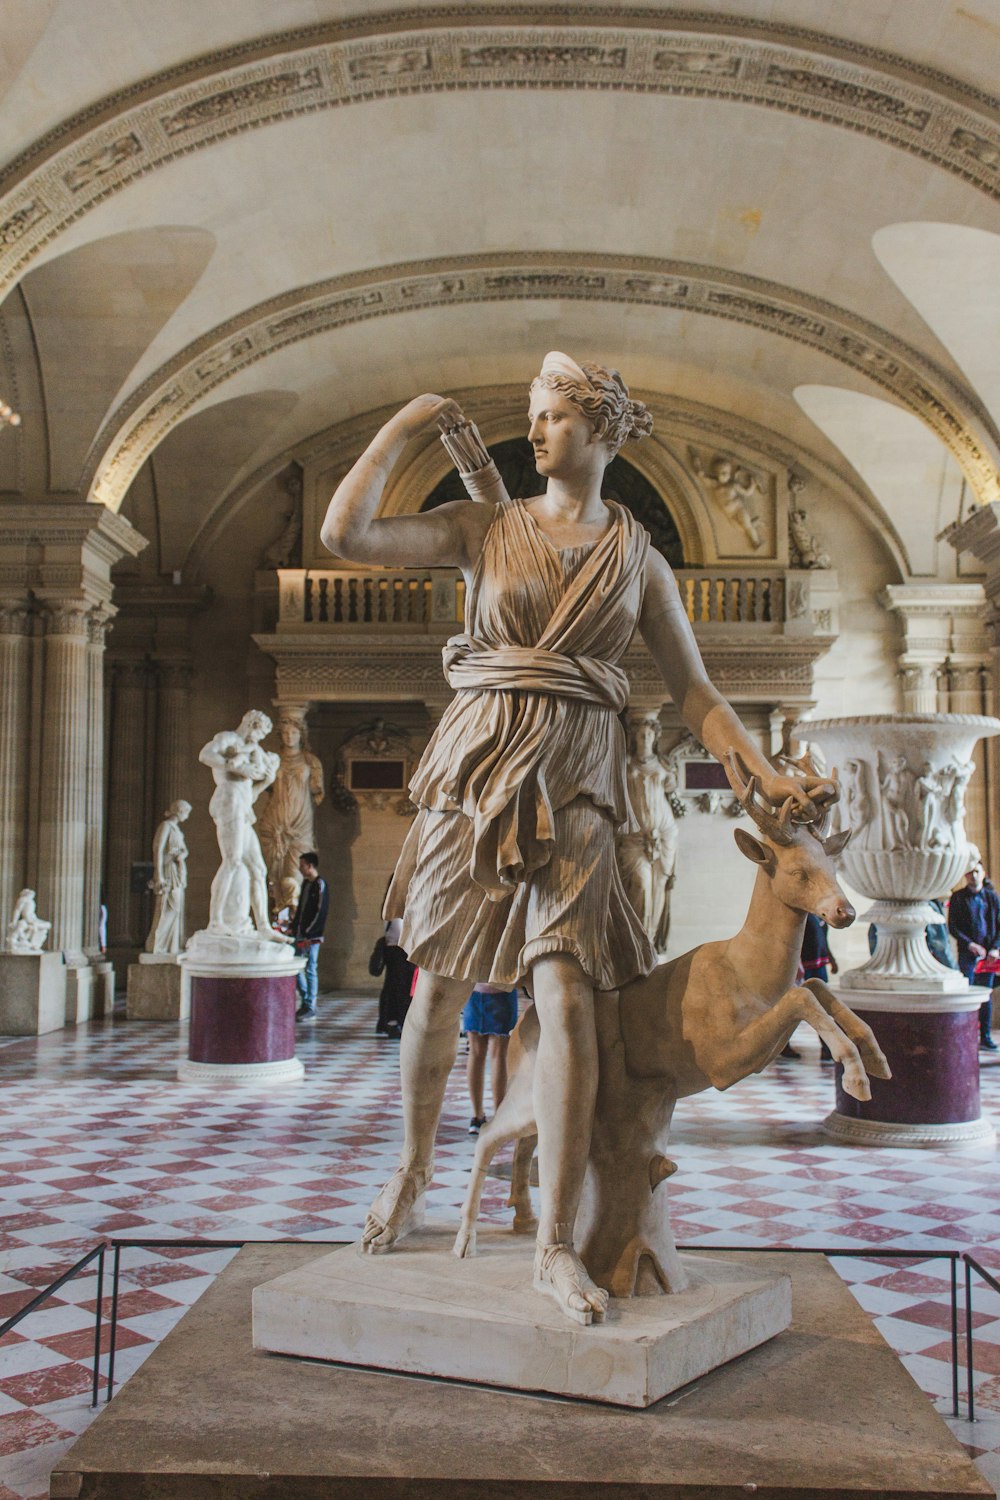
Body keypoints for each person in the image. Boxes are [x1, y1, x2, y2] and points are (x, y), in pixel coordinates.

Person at [320, 351, 833, 1326]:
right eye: (533, 415)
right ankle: (412, 1169)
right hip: (472, 770)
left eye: (554, 415)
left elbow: (696, 693)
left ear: (600, 431)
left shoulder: (638, 558)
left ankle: (554, 1244)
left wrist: (757, 770)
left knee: (567, 1000)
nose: (536, 430)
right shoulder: (484, 526)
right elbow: (345, 533)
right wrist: (409, 417)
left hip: (580, 783)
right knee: (436, 989)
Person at [948, 859, 1000, 1051]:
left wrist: (995, 947)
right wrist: (969, 944)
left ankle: (985, 1036)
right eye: (970, 872)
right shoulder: (958, 898)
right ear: (965, 875)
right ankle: (968, 1036)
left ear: (983, 873)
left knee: (985, 995)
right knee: (968, 994)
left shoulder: (992, 897)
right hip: (968, 954)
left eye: (977, 871)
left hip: (989, 956)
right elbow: (953, 926)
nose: (974, 875)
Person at [462, 982, 519, 1132]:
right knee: (498, 1055)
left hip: (472, 988)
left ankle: (477, 1117)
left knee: (475, 1053)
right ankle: (499, 1115)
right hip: (502, 987)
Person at [291, 851, 329, 1019]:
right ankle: (306, 999)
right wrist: (294, 928)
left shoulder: (320, 884)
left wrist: (309, 933)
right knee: (296, 968)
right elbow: (301, 910)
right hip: (300, 934)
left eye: (302, 865)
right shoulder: (306, 884)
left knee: (310, 968)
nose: (300, 868)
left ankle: (310, 1004)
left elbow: (320, 911)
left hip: (312, 936)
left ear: (310, 865)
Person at [800, 912, 838, 1061]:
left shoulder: (821, 917)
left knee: (823, 1007)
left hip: (819, 966)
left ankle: (827, 1047)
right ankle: (783, 1047)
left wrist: (832, 959)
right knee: (812, 1009)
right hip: (805, 967)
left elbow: (824, 939)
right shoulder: (804, 916)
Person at [376, 916, 416, 1038]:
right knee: (398, 988)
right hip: (398, 948)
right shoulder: (398, 908)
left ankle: (389, 1022)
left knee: (395, 987)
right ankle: (394, 1023)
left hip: (400, 947)